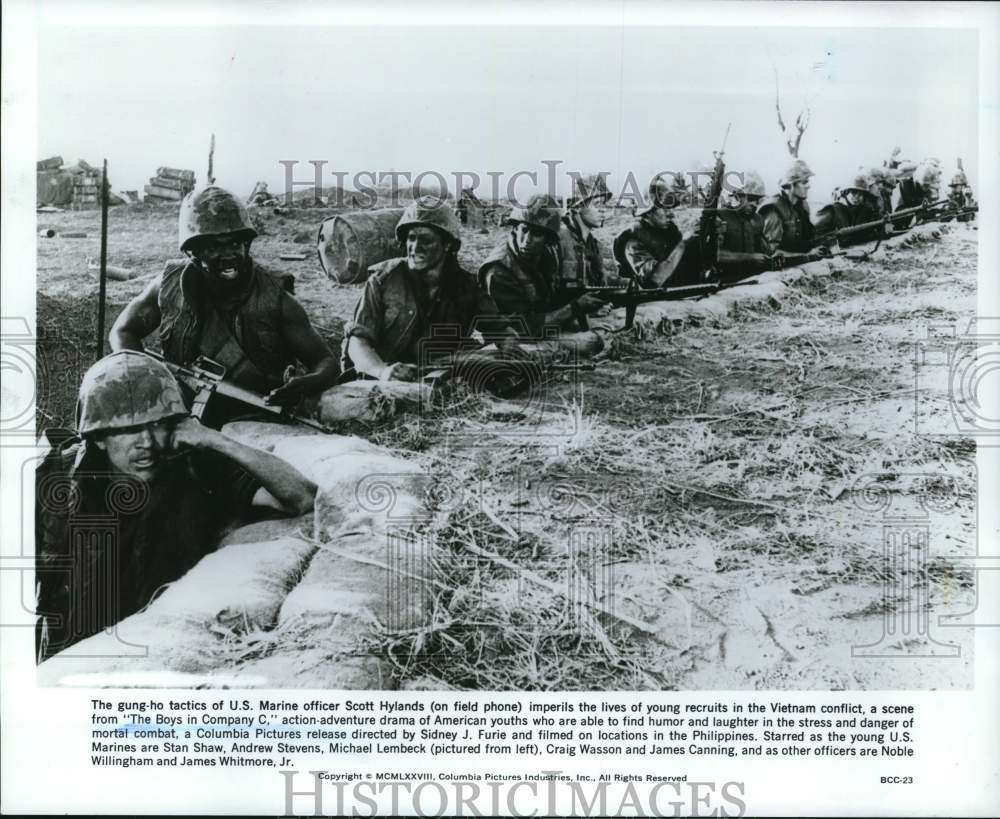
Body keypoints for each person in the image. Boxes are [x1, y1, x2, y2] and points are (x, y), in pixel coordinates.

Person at [35, 351, 317, 662]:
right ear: (99, 437)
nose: (146, 441)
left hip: (158, 647)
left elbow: (301, 496)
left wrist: (214, 440)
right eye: (128, 429)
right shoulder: (55, 477)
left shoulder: (197, 467)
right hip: (67, 649)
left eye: (157, 424)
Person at [110, 184, 338, 424]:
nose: (228, 255)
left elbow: (326, 362)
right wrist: (148, 379)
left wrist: (305, 384)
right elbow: (123, 331)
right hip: (180, 412)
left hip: (258, 417)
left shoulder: (275, 298)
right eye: (214, 247)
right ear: (193, 251)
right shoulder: (170, 285)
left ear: (246, 245)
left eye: (235, 244)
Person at [343, 196, 518, 381]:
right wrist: (382, 371)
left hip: (437, 376)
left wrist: (509, 342)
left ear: (447, 244)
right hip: (380, 379)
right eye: (411, 238)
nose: (415, 247)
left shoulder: (467, 286)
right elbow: (357, 341)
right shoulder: (384, 279)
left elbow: (499, 328)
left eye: (425, 240)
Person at [479, 193, 604, 336]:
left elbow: (550, 300)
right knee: (590, 341)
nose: (527, 240)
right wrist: (574, 308)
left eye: (537, 234)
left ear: (547, 239)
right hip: (513, 338)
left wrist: (584, 302)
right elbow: (522, 326)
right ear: (515, 229)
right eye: (524, 230)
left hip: (540, 327)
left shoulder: (545, 255)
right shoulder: (499, 270)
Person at [612, 173, 685, 286]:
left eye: (671, 208)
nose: (671, 214)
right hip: (646, 296)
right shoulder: (633, 240)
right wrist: (683, 244)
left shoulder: (670, 233)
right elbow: (656, 279)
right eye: (665, 209)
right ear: (648, 212)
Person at [559, 176, 612, 288]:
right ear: (578, 207)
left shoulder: (594, 246)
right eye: (597, 204)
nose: (603, 209)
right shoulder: (559, 240)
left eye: (604, 204)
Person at [813, 172, 886, 245]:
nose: (857, 197)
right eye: (854, 192)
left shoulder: (865, 211)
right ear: (845, 193)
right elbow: (814, 235)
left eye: (861, 194)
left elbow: (875, 229)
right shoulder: (832, 211)